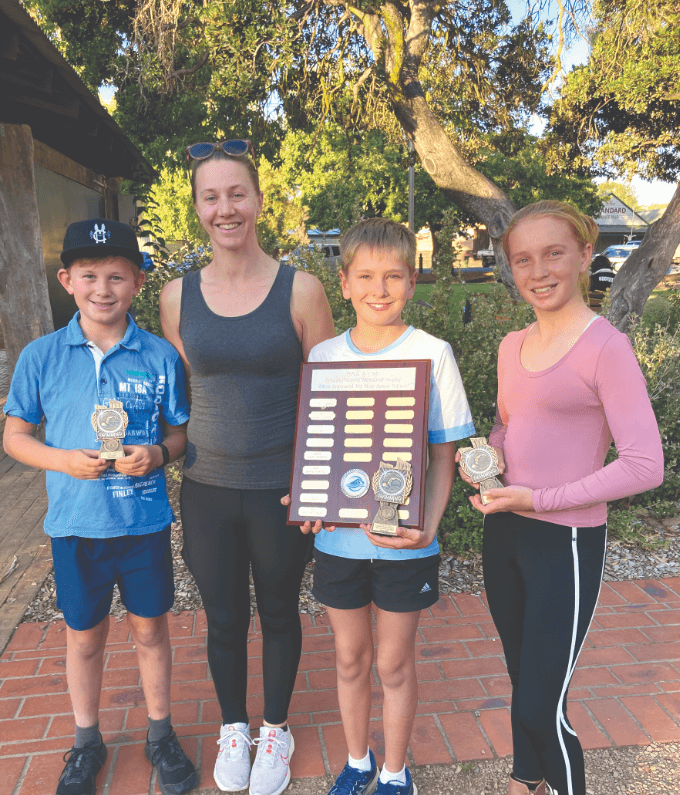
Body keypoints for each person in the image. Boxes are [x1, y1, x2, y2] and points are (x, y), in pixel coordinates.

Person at [456, 200, 664, 795]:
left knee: (542, 705)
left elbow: (647, 465)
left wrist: (541, 498)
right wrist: (486, 467)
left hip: (566, 543)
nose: (539, 270)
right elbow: (504, 426)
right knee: (525, 684)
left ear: (583, 256)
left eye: (553, 253)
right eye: (523, 259)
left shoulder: (606, 349)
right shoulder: (509, 345)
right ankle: (529, 782)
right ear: (510, 269)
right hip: (506, 534)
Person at [159, 140, 335, 795]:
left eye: (237, 193)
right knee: (224, 616)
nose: (225, 207)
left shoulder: (303, 290)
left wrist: (317, 484)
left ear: (258, 201)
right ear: (199, 207)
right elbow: (178, 397)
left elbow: (329, 399)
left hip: (279, 491)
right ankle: (235, 726)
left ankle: (277, 728)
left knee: (281, 610)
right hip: (206, 489)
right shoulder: (176, 296)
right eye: (212, 196)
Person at [3, 219, 197, 795]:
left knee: (151, 631)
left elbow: (180, 436)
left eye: (116, 276)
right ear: (68, 280)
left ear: (137, 282)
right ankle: (87, 741)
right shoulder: (41, 357)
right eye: (89, 276)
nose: (103, 289)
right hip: (75, 527)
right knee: (83, 637)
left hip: (142, 525)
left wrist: (158, 453)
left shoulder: (159, 355)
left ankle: (159, 734)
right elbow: (14, 436)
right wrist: (63, 461)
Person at [284, 217, 476, 795]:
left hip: (405, 544)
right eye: (365, 275)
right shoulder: (323, 356)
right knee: (349, 660)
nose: (380, 288)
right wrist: (308, 495)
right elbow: (317, 447)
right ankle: (358, 761)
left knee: (393, 664)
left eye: (394, 275)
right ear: (343, 283)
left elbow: (443, 456)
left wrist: (429, 528)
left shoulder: (433, 353)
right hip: (337, 542)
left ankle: (395, 771)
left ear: (412, 282)